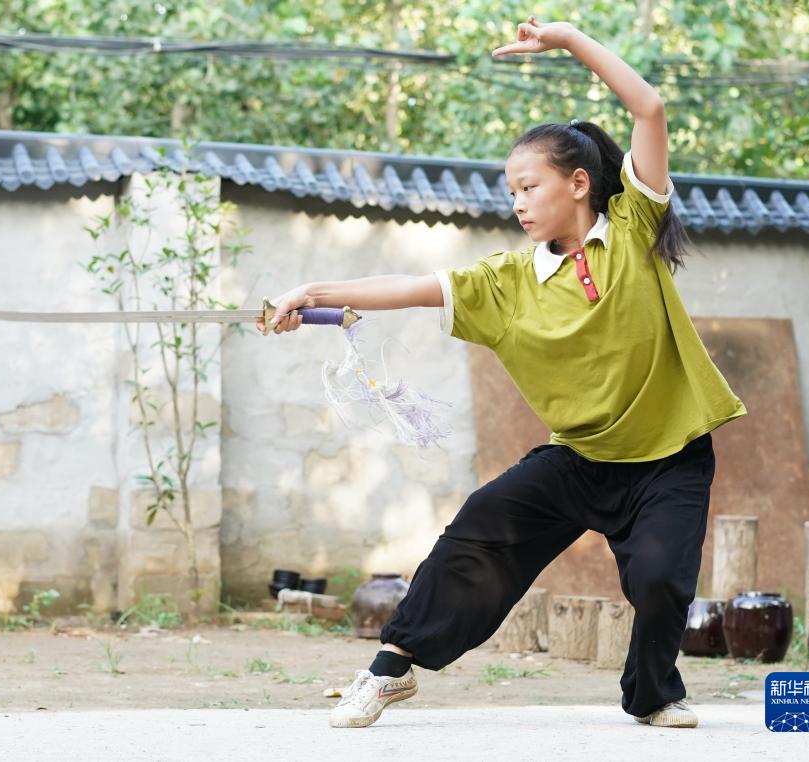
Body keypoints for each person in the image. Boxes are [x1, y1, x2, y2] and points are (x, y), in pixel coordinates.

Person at [258, 17, 746, 730]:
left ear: (578, 183)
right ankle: (390, 671)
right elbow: (410, 286)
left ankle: (653, 694)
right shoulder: (505, 282)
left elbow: (648, 108)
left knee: (658, 580)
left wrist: (569, 39)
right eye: (510, 190)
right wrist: (311, 294)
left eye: (528, 186)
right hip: (578, 459)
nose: (516, 202)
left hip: (669, 457)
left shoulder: (633, 229)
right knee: (480, 528)